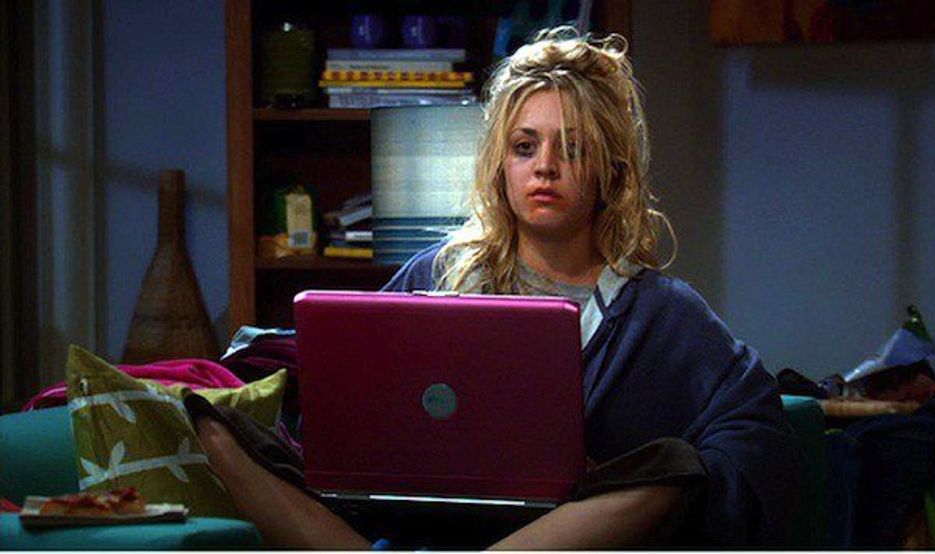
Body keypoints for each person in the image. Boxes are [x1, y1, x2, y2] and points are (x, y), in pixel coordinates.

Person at [196, 26, 802, 548]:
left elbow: (755, 424)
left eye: (573, 148)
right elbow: (350, 401)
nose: (545, 166)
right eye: (524, 146)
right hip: (412, 517)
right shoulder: (436, 275)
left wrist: (622, 471)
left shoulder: (660, 312)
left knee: (674, 467)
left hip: (562, 532)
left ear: (610, 170)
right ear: (500, 165)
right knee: (214, 426)